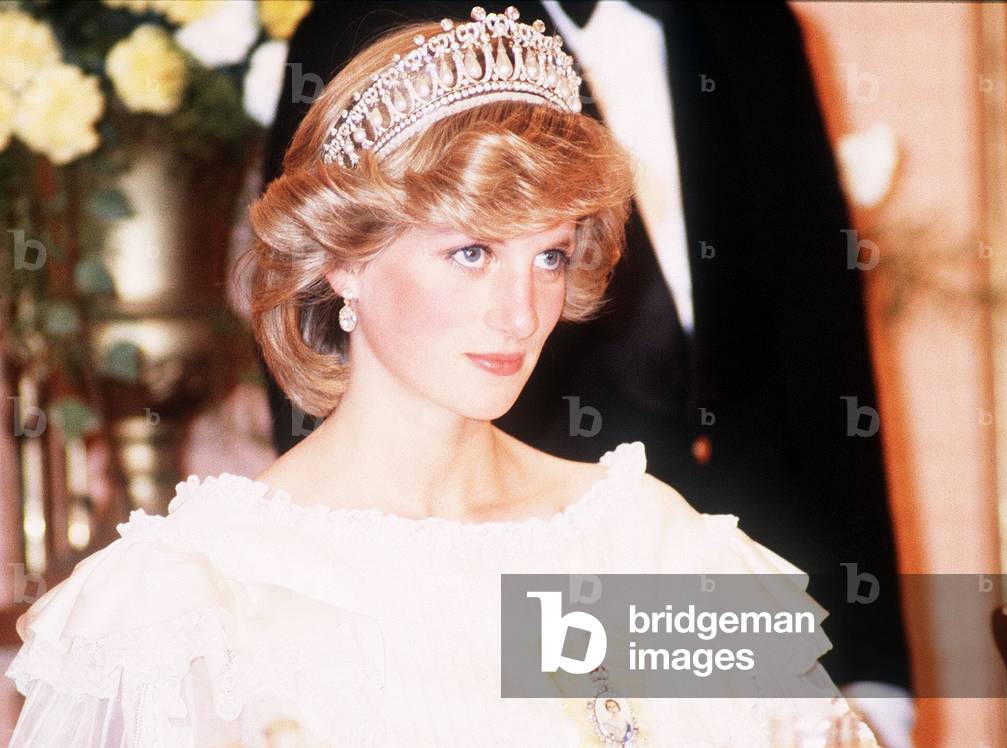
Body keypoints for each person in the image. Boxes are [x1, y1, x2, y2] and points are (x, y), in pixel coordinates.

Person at [4, 7, 879, 746]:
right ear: (342, 260)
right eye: (471, 252)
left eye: (548, 258)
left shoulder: (649, 547)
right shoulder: (191, 600)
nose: (519, 311)